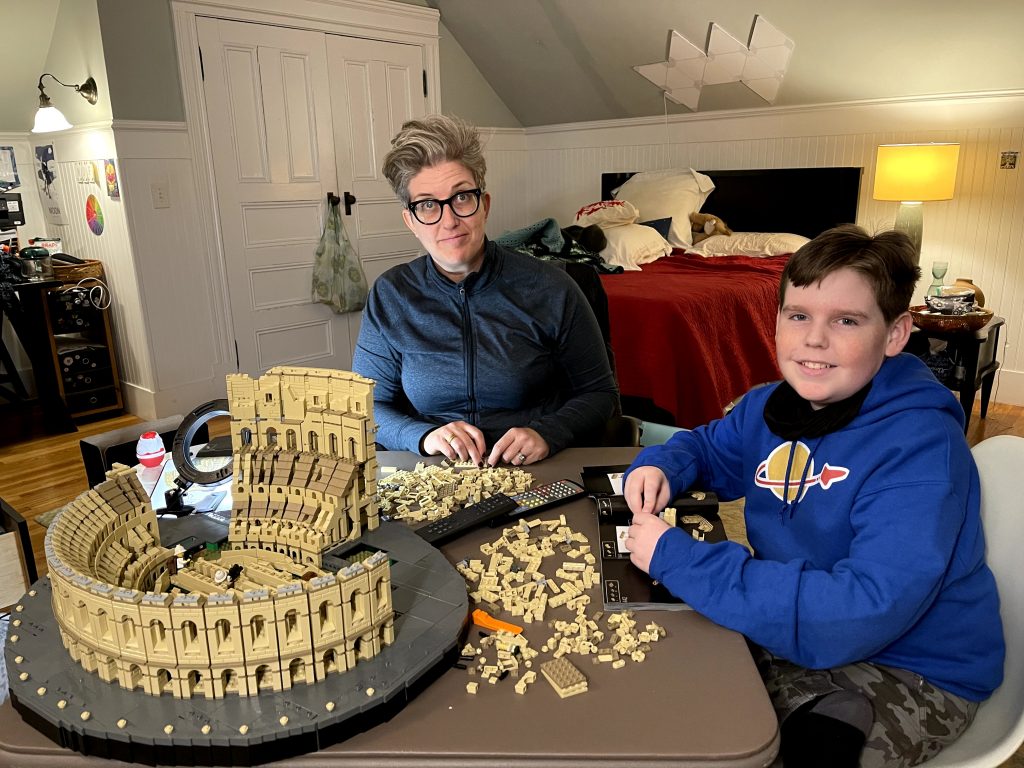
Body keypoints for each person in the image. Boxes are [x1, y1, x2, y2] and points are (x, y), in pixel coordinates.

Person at [622, 225, 1004, 768]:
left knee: (748, 746)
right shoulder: (771, 406)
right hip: (802, 624)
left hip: (913, 666)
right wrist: (661, 463)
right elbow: (707, 448)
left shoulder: (921, 450)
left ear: (895, 334)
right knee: (662, 690)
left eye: (846, 320)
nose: (814, 340)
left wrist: (682, 560)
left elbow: (861, 610)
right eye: (798, 315)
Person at [352, 114, 618, 467]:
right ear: (410, 221)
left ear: (484, 205)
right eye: (427, 205)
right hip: (430, 473)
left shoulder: (552, 288)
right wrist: (423, 436)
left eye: (462, 197)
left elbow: (600, 394)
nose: (449, 221)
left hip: (531, 469)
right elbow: (367, 406)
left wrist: (547, 432)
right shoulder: (390, 295)